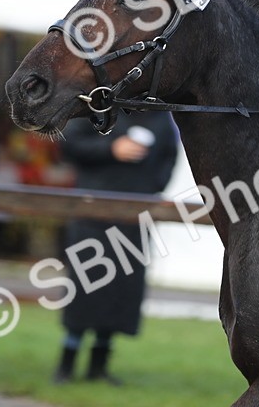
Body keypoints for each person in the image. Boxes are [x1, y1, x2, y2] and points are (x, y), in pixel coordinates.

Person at [52, 111, 178, 385]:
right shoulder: (99, 106)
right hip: (93, 211)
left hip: (135, 214)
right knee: (85, 288)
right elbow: (69, 145)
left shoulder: (157, 113)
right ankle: (67, 363)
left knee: (121, 290)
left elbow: (170, 154)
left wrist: (153, 186)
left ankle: (99, 365)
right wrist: (111, 148)